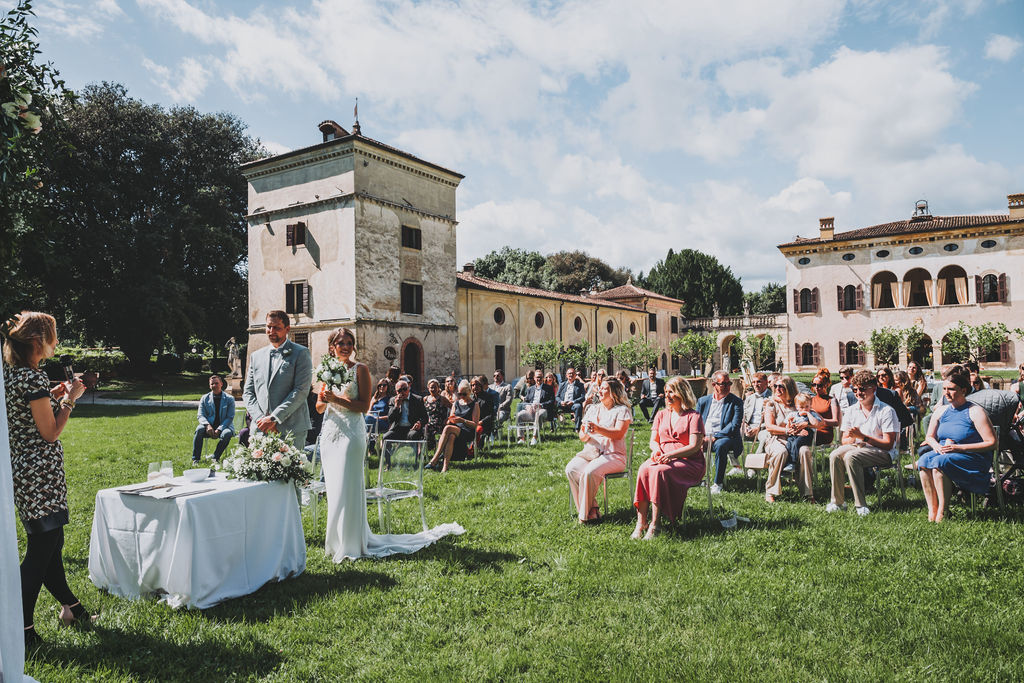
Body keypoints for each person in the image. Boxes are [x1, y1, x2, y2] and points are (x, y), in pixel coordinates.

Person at [315, 327, 462, 561]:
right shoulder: (325, 371)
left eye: (349, 342)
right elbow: (319, 408)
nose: (344, 346)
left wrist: (337, 399)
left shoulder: (360, 369)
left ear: (353, 346)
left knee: (348, 487)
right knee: (334, 489)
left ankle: (353, 542)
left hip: (351, 434)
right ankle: (336, 542)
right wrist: (324, 400)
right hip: (331, 433)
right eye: (340, 343)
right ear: (332, 346)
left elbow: (364, 406)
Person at [2, 312, 93, 647]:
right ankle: (22, 632)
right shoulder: (31, 379)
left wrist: (52, 396)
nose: (57, 340)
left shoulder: (16, 375)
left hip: (28, 474)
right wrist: (69, 400)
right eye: (54, 334)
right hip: (39, 477)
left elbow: (28, 415)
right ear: (40, 340)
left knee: (52, 546)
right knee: (41, 553)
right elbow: (50, 432)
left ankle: (73, 609)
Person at [917, 365, 997, 522]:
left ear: (963, 390)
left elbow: (992, 443)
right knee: (923, 461)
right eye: (945, 389)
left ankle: (943, 511)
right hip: (946, 453)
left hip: (973, 457)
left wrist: (958, 448)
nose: (946, 393)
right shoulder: (941, 411)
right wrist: (936, 446)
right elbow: (930, 437)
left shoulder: (975, 411)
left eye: (951, 389)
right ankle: (932, 509)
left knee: (940, 462)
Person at [632, 376, 705, 540]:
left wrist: (671, 455)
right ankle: (641, 522)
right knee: (643, 469)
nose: (667, 395)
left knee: (659, 472)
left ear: (682, 393)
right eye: (666, 392)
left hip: (689, 461)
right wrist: (656, 450)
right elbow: (653, 440)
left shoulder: (694, 416)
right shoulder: (661, 414)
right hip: (663, 456)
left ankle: (656, 525)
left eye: (671, 391)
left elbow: (694, 446)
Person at [825, 370, 900, 516]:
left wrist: (863, 438)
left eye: (862, 389)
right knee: (834, 454)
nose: (858, 393)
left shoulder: (886, 411)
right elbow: (844, 440)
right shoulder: (851, 410)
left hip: (883, 452)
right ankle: (838, 502)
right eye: (855, 389)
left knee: (851, 456)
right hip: (858, 447)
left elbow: (889, 444)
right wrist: (854, 438)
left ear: (874, 389)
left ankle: (861, 505)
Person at [565, 377, 632, 523]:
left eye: (604, 389)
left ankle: (583, 518)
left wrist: (598, 429)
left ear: (613, 393)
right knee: (571, 469)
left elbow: (619, 433)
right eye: (600, 388)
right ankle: (592, 509)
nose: (600, 391)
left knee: (589, 473)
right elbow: (582, 435)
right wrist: (585, 434)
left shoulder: (622, 410)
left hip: (614, 456)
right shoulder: (592, 409)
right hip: (591, 453)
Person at [243, 310, 313, 449]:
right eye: (269, 327)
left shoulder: (301, 353)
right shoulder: (256, 356)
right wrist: (260, 420)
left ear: (287, 329)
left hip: (291, 428)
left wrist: (274, 418)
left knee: (291, 470)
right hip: (261, 429)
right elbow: (248, 392)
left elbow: (301, 390)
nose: (271, 331)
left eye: (277, 328)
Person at [763, 376, 816, 503]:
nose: (777, 389)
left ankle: (807, 493)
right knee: (780, 452)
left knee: (805, 452)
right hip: (777, 438)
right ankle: (771, 491)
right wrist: (787, 430)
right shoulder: (771, 404)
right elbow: (770, 427)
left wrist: (805, 425)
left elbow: (816, 421)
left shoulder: (798, 404)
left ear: (790, 388)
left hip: (797, 439)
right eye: (775, 386)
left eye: (781, 386)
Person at [697, 370, 743, 493]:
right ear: (714, 385)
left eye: (729, 384)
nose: (727, 387)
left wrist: (714, 437)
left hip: (727, 437)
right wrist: (700, 437)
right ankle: (695, 478)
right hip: (704, 436)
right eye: (723, 384)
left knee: (720, 445)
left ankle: (718, 483)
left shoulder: (736, 402)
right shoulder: (703, 401)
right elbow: (696, 421)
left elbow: (734, 425)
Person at [426, 379, 479, 472]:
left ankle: (435, 459)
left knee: (448, 429)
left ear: (469, 392)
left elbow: (475, 425)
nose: (461, 396)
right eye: (459, 394)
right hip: (455, 429)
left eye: (464, 394)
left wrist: (462, 420)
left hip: (467, 430)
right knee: (450, 435)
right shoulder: (456, 403)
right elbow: (451, 418)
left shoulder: (475, 405)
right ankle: (445, 467)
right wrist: (450, 420)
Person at [191, 373, 236, 463]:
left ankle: (215, 458)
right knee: (199, 429)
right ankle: (196, 459)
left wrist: (219, 429)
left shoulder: (229, 399)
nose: (214, 385)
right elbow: (200, 415)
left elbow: (230, 417)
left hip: (224, 427)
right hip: (209, 427)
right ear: (209, 385)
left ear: (221, 384)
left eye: (216, 383)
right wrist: (207, 425)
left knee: (227, 434)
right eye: (212, 384)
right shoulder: (204, 398)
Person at [515, 369, 555, 445]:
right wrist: (528, 407)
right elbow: (526, 400)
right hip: (531, 410)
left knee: (538, 414)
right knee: (519, 415)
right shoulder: (530, 389)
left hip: (543, 410)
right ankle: (521, 438)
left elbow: (551, 401)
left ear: (543, 378)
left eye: (540, 377)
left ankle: (534, 437)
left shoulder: (548, 388)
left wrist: (541, 405)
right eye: (537, 377)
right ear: (534, 378)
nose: (538, 379)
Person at [381, 379, 426, 444]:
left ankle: (415, 454)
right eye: (399, 390)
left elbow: (425, 417)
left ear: (409, 389)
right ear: (396, 392)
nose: (402, 392)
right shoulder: (393, 400)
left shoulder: (417, 399)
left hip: (412, 428)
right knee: (385, 437)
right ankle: (387, 454)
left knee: (413, 435)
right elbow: (390, 419)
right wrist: (396, 406)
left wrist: (419, 423)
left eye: (404, 389)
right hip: (398, 429)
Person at [809, 371, 840, 449]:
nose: (816, 387)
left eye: (819, 385)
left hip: (824, 433)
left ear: (826, 385)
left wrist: (820, 420)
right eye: (814, 385)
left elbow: (836, 422)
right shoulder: (810, 400)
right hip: (811, 430)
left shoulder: (832, 400)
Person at [423, 379, 451, 449]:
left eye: (435, 387)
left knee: (427, 428)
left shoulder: (442, 399)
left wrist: (448, 419)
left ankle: (430, 447)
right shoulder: (425, 399)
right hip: (428, 421)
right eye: (431, 387)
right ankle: (423, 449)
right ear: (428, 388)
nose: (433, 389)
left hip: (439, 422)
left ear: (438, 388)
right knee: (424, 427)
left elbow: (453, 408)